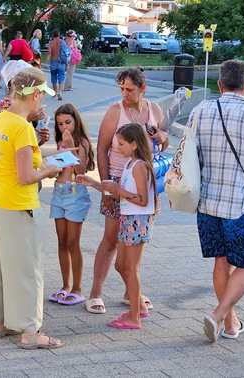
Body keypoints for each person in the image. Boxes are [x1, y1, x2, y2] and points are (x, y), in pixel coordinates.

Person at [185, 60, 244, 343]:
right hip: (240, 205)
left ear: (219, 84)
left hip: (206, 204)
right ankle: (217, 316)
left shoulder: (202, 109)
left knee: (221, 261)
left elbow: (189, 152)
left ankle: (230, 324)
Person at [0, 66, 65, 349]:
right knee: (27, 269)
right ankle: (30, 332)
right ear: (36, 94)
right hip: (18, 206)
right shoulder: (22, 128)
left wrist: (48, 158)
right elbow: (26, 176)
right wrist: (49, 172)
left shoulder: (2, 118)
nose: (43, 101)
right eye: (42, 96)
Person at [85, 67, 169, 315]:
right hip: (117, 183)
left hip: (144, 185)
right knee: (111, 239)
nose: (124, 94)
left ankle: (130, 291)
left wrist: (164, 136)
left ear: (143, 88)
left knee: (136, 240)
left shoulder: (154, 110)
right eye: (121, 89)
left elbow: (162, 141)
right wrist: (104, 187)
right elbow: (101, 149)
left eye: (129, 89)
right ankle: (95, 293)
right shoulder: (115, 111)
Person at [77, 122, 157, 329]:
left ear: (133, 144)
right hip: (128, 219)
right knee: (121, 266)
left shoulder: (139, 166)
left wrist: (118, 191)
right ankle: (138, 307)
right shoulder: (129, 164)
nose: (118, 148)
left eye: (121, 144)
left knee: (130, 269)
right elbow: (117, 192)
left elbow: (143, 199)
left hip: (137, 221)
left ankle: (135, 316)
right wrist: (93, 183)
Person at [47, 104, 95, 306]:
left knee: (73, 243)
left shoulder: (81, 142)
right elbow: (60, 168)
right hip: (59, 193)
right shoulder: (60, 142)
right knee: (62, 241)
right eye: (59, 124)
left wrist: (70, 146)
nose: (64, 127)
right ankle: (65, 285)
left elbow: (81, 168)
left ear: (76, 120)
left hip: (75, 194)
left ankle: (77, 288)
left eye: (67, 122)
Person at [44, 29, 65, 101]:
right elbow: (65, 51)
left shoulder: (51, 43)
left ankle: (55, 93)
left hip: (53, 62)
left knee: (53, 78)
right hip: (61, 62)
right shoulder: (62, 42)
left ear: (53, 35)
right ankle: (60, 91)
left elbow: (49, 53)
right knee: (61, 77)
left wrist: (46, 63)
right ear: (59, 35)